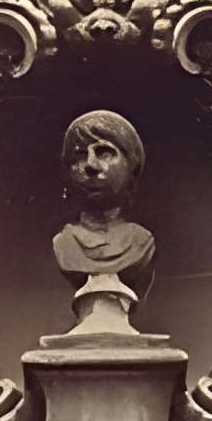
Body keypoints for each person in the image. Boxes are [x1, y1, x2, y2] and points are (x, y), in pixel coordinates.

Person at [51, 110, 155, 299]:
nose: (90, 164)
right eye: (80, 155)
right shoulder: (63, 245)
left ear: (131, 169)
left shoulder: (142, 242)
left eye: (104, 152)